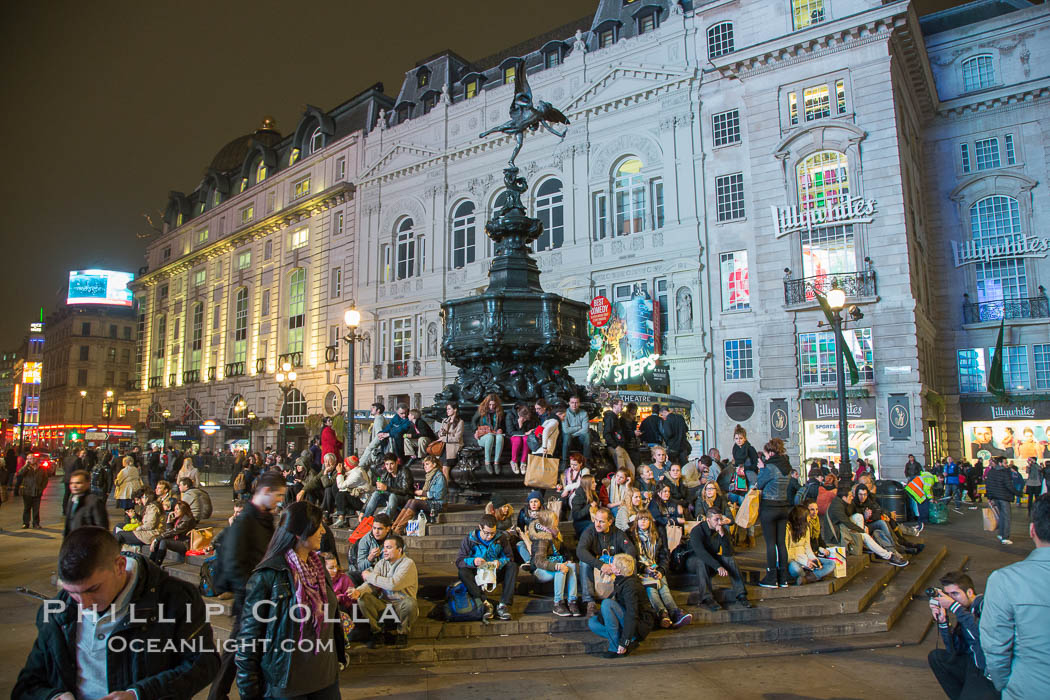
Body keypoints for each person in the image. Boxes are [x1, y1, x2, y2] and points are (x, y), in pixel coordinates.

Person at [13, 527, 219, 699]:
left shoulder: (176, 599)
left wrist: (139, 694)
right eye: (73, 593)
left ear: (120, 566)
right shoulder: (59, 610)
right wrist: (53, 696)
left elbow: (204, 663)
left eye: (92, 589)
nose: (84, 605)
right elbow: (29, 684)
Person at [235, 502, 345, 698]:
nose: (322, 531)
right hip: (288, 685)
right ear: (299, 533)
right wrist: (249, 692)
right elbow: (248, 641)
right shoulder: (267, 576)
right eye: (317, 526)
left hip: (326, 679)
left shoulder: (319, 567)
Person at [208, 472, 286, 700]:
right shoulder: (246, 521)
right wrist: (250, 590)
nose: (280, 500)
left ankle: (222, 692)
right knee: (237, 650)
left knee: (240, 648)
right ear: (265, 492)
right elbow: (234, 561)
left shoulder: (262, 518)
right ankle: (218, 693)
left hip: (257, 594)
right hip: (251, 596)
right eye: (278, 495)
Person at [980, 494, 1050, 699]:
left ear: (1032, 531)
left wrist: (1005, 685)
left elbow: (995, 648)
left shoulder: (1004, 581)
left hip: (1029, 689)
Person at [923, 571, 997, 700]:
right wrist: (943, 622)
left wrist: (954, 607)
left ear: (969, 592)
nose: (951, 599)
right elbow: (954, 650)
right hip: (972, 662)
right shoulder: (964, 611)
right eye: (948, 595)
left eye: (955, 594)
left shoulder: (986, 606)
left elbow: (981, 637)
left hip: (988, 669)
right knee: (937, 657)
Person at [351, 533, 419, 648]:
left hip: (401, 604)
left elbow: (393, 584)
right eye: (384, 548)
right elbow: (371, 584)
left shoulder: (408, 564)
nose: (384, 551)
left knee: (410, 603)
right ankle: (377, 632)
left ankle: (402, 633)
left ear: (399, 550)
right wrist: (358, 591)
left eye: (389, 548)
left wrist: (369, 576)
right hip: (384, 604)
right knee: (363, 599)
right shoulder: (381, 563)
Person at [586, 552, 656, 658]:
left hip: (639, 625)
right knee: (593, 623)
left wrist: (625, 642)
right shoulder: (621, 580)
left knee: (607, 604)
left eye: (613, 564)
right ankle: (625, 637)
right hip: (628, 620)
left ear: (618, 570)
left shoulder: (630, 586)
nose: (610, 564)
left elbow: (632, 615)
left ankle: (617, 646)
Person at [631, 510, 691, 628]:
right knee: (652, 588)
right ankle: (664, 613)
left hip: (655, 566)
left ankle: (672, 613)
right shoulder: (631, 536)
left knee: (663, 585)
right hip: (640, 569)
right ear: (636, 522)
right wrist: (644, 568)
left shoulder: (657, 535)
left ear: (650, 522)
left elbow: (664, 555)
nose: (643, 521)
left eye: (646, 519)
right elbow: (631, 558)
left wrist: (661, 570)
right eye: (640, 519)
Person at [824, 484, 907, 566]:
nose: (852, 497)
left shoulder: (842, 502)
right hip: (836, 535)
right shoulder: (837, 508)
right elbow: (847, 523)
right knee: (865, 536)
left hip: (842, 527)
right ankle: (889, 556)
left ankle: (862, 541)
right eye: (850, 496)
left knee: (859, 517)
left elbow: (874, 511)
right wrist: (862, 531)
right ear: (844, 497)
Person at [575, 506, 637, 616]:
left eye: (602, 522)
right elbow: (580, 551)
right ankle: (590, 602)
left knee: (631, 561)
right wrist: (600, 565)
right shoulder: (590, 531)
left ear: (610, 522)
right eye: (596, 520)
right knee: (583, 563)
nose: (597, 524)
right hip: (596, 566)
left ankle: (623, 597)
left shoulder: (617, 533)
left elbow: (630, 550)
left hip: (613, 566)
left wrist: (617, 565)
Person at [687, 507, 751, 611]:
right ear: (708, 520)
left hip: (712, 558)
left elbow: (728, 553)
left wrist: (722, 535)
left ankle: (741, 594)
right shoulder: (697, 531)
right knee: (701, 562)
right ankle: (707, 598)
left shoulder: (721, 529)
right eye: (716, 520)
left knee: (730, 560)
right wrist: (718, 566)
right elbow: (701, 553)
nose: (719, 522)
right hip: (693, 560)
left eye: (720, 519)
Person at [456, 513, 517, 620]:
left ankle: (503, 605)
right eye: (487, 533)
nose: (489, 536)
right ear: (480, 527)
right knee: (463, 572)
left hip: (494, 572)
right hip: (477, 574)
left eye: (493, 533)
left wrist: (500, 562)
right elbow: (460, 561)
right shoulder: (470, 539)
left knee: (512, 566)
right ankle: (484, 602)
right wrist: (474, 561)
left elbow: (509, 557)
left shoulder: (501, 538)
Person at [527, 509, 580, 616]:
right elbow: (539, 561)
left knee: (571, 566)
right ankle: (558, 604)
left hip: (554, 564)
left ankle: (572, 601)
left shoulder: (555, 533)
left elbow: (564, 550)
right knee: (560, 570)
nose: (557, 520)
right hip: (540, 570)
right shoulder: (541, 537)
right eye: (555, 518)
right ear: (549, 522)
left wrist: (569, 559)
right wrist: (556, 566)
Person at [392, 454, 447, 534]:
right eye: (424, 465)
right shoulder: (430, 476)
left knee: (414, 502)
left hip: (438, 504)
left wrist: (423, 493)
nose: (425, 466)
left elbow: (439, 495)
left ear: (434, 464)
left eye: (427, 464)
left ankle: (398, 530)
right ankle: (394, 527)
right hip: (431, 502)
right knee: (410, 500)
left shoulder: (439, 477)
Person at [786, 505, 835, 583]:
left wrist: (814, 559)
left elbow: (808, 548)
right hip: (793, 560)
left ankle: (806, 578)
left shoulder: (806, 528)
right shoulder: (787, 529)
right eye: (807, 516)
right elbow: (787, 554)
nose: (809, 518)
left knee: (831, 564)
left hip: (806, 559)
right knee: (796, 569)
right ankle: (812, 576)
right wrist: (805, 562)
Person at [362, 452, 414, 518]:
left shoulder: (405, 471)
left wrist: (387, 488)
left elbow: (405, 491)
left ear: (397, 462)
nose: (389, 467)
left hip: (405, 498)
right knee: (376, 493)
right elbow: (377, 491)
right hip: (391, 497)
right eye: (387, 464)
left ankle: (386, 521)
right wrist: (362, 510)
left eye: (391, 464)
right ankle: (365, 519)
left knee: (393, 496)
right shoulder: (385, 474)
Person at [985, 456, 1019, 545]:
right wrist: (1018, 493)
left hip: (996, 497)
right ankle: (1005, 537)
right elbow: (1009, 485)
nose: (1006, 464)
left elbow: (988, 485)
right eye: (1005, 462)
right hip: (1004, 497)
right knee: (1006, 517)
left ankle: (1001, 534)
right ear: (1000, 463)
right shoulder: (1004, 472)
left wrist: (989, 497)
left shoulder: (991, 472)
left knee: (1001, 516)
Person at [64, 469, 109, 537]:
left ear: (88, 483)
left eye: (78, 483)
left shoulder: (94, 501)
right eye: (71, 483)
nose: (74, 486)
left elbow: (102, 529)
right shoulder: (72, 500)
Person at [333, 456, 371, 528]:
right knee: (334, 488)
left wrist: (339, 473)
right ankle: (342, 510)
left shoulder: (357, 474)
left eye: (346, 464)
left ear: (351, 465)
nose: (344, 466)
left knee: (341, 494)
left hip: (362, 502)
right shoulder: (354, 471)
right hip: (356, 497)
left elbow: (341, 485)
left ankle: (341, 517)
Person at [473, 393, 506, 474]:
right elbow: (473, 421)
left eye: (493, 405)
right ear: (487, 403)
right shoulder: (481, 410)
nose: (491, 407)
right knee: (490, 436)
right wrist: (475, 431)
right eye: (490, 404)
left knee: (500, 437)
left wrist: (501, 429)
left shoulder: (500, 412)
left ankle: (496, 462)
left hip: (495, 436)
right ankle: (487, 462)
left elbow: (503, 426)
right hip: (483, 437)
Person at [15, 454, 49, 529]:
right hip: (27, 491)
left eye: (33, 458)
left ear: (36, 459)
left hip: (37, 491)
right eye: (29, 458)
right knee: (27, 508)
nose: (32, 460)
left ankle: (36, 523)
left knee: (36, 509)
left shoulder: (41, 468)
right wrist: (26, 465)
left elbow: (45, 479)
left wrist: (41, 488)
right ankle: (25, 523)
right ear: (27, 459)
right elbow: (20, 473)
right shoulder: (26, 468)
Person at [602, 399, 634, 474]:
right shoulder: (610, 417)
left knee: (630, 468)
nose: (622, 407)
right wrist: (615, 446)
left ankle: (628, 485)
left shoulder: (615, 417)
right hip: (615, 447)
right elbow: (606, 433)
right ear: (614, 405)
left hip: (619, 446)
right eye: (620, 405)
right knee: (622, 470)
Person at [436, 402, 464, 482]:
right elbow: (440, 435)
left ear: (455, 410)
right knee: (440, 471)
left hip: (452, 449)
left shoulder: (460, 422)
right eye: (447, 409)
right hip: (443, 448)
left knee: (445, 470)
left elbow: (457, 438)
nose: (447, 411)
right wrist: (441, 433)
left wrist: (444, 438)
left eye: (449, 409)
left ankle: (444, 492)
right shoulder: (445, 420)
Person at [507, 403, 537, 476]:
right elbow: (510, 432)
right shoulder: (510, 415)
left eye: (526, 419)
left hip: (524, 435)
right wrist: (520, 425)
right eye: (524, 419)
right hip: (512, 437)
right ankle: (513, 461)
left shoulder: (528, 415)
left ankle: (523, 462)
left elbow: (529, 430)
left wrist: (526, 430)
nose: (525, 420)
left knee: (526, 438)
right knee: (518, 439)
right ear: (519, 415)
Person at [561, 395, 592, 466]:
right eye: (572, 402)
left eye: (576, 402)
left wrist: (573, 434)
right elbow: (565, 430)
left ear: (579, 403)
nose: (574, 405)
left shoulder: (584, 413)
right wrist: (578, 427)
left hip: (579, 436)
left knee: (587, 435)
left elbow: (585, 430)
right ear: (569, 403)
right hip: (568, 436)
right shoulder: (565, 413)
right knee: (567, 435)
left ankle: (586, 460)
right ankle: (564, 461)